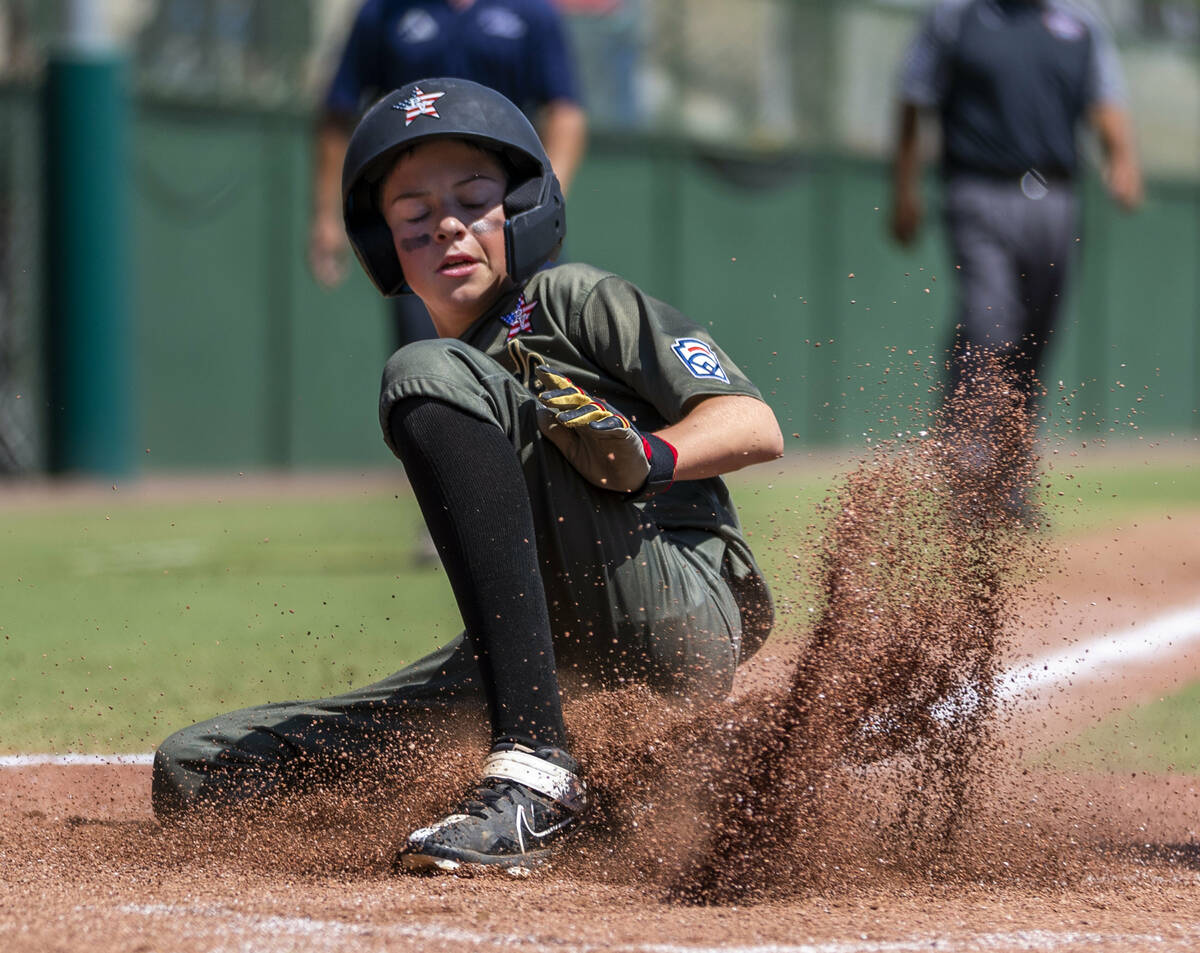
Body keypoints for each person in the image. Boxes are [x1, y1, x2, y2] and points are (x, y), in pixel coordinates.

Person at [153, 77, 783, 874]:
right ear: (386, 250)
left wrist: (650, 455)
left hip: (666, 605)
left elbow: (755, 425)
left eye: (473, 200)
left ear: (523, 211)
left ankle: (535, 773)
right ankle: (609, 784)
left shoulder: (570, 298)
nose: (445, 225)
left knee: (425, 369)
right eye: (413, 216)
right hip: (543, 654)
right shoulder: (453, 369)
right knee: (201, 766)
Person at [889, 0, 1142, 516]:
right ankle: (964, 467)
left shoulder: (1081, 23)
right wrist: (904, 188)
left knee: (1034, 342)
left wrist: (1122, 159)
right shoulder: (957, 18)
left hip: (1057, 198)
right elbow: (914, 98)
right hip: (978, 191)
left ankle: (1010, 484)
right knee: (990, 324)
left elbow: (1105, 99)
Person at [308, 0, 587, 349]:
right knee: (434, 370)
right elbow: (338, 113)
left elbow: (565, 112)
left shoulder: (531, 11)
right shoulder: (383, 12)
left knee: (545, 361)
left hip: (502, 217)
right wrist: (327, 217)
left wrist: (542, 202)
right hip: (425, 235)